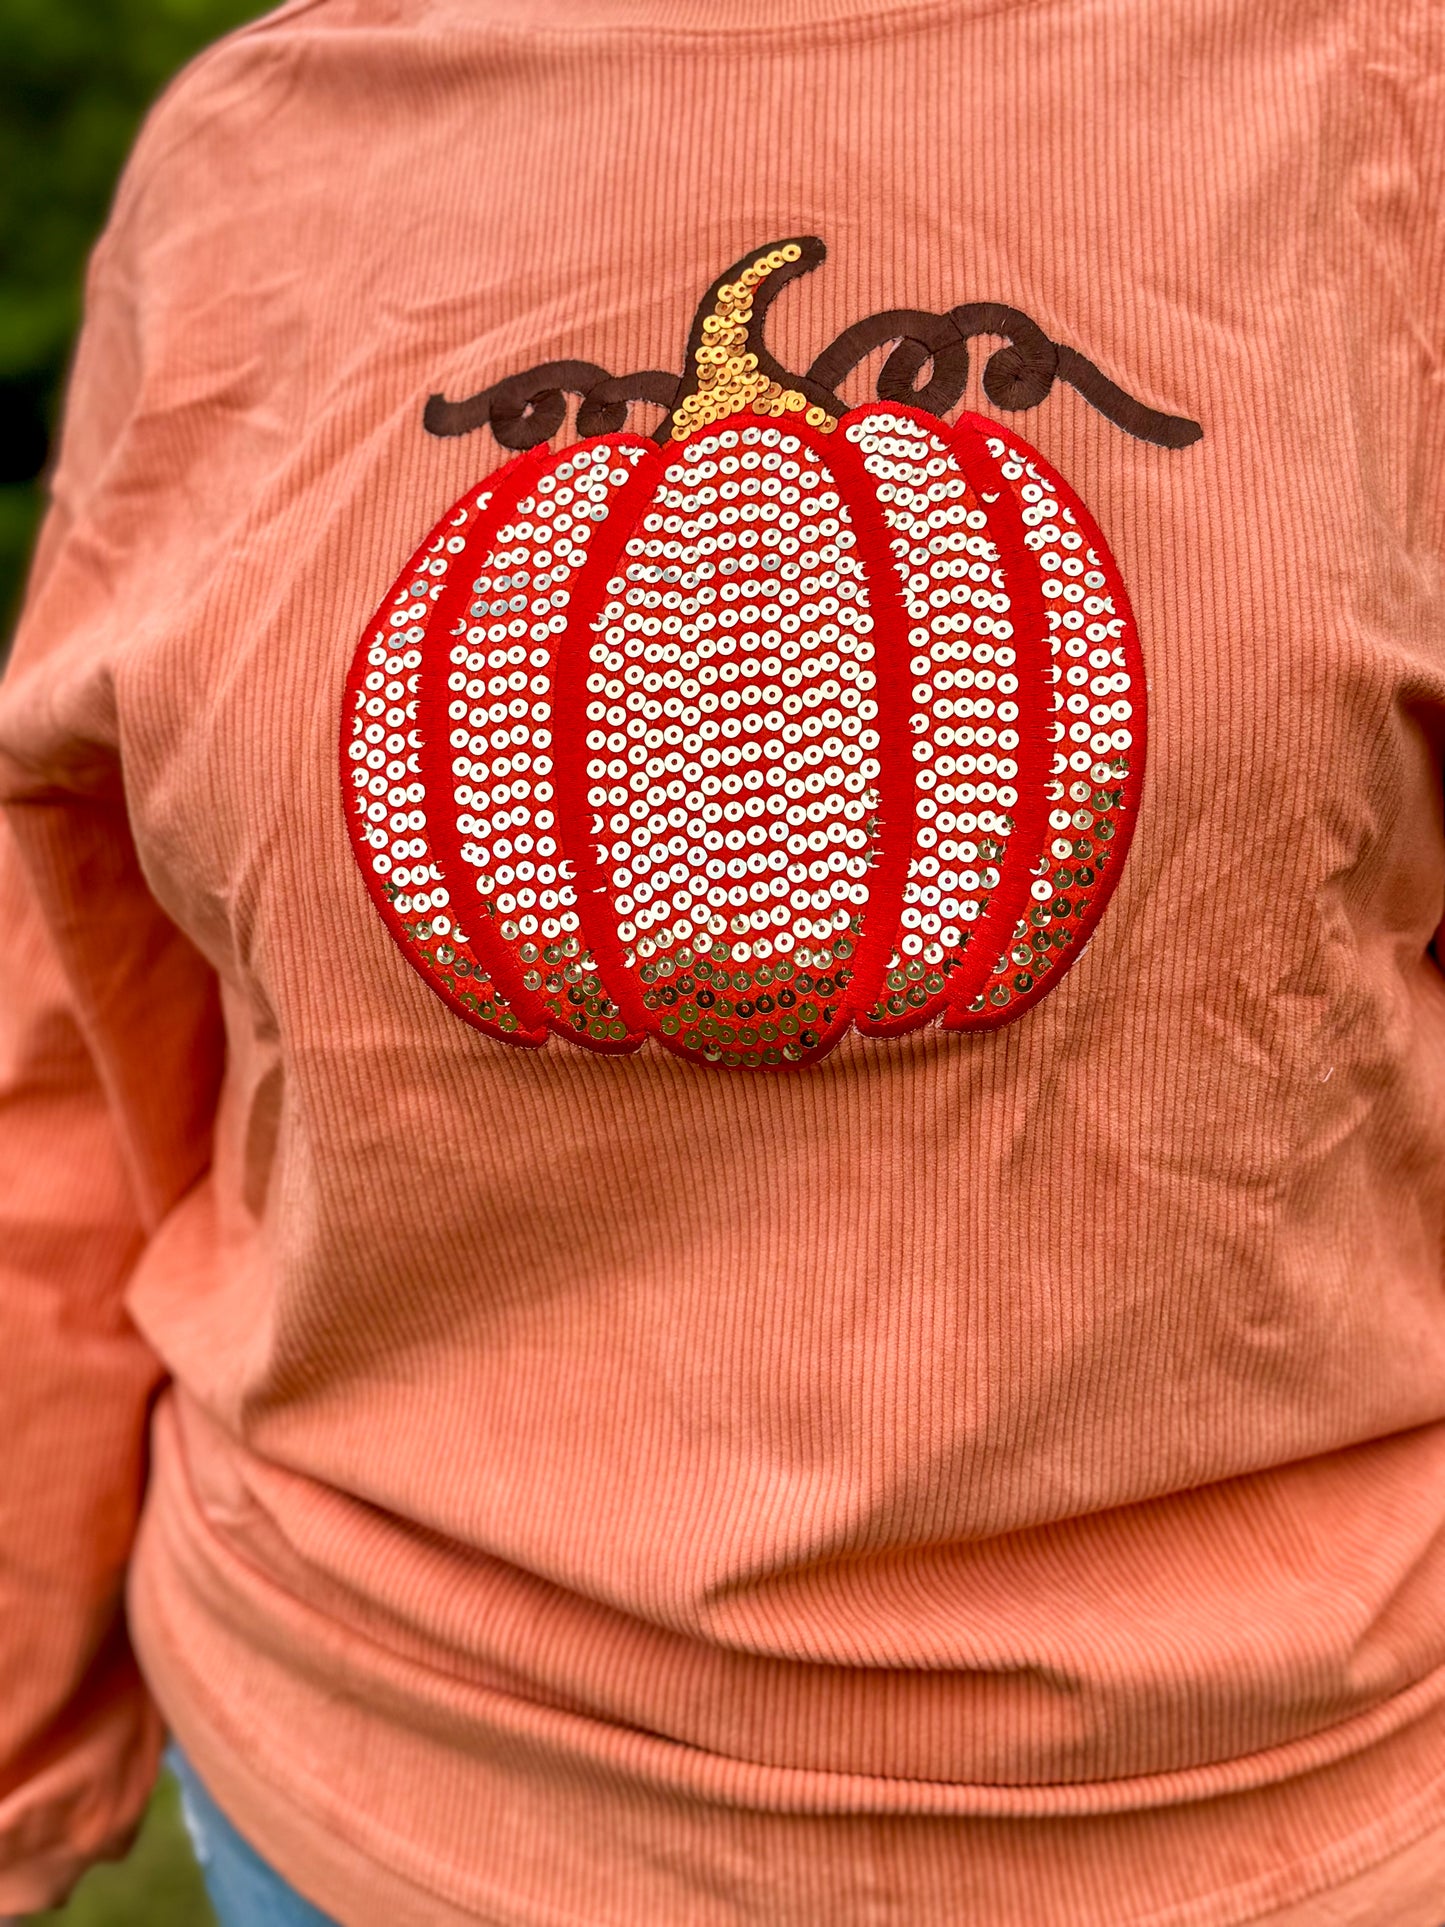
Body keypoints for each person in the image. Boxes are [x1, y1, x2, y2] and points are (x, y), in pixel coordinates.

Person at [2, 0, 1445, 1921]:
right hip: (382, 1764)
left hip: (1263, 1803)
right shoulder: (260, 152)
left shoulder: (1378, 100)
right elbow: (82, 1021)